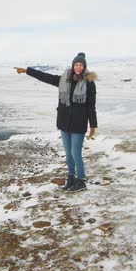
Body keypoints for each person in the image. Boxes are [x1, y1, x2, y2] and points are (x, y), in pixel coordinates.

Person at [14, 52, 97, 192]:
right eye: (76, 64)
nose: (78, 67)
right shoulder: (64, 80)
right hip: (64, 123)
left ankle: (81, 180)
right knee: (68, 153)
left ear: (84, 67)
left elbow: (91, 105)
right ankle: (71, 177)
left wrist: (93, 125)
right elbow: (45, 77)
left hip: (78, 124)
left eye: (81, 65)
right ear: (73, 66)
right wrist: (28, 70)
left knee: (76, 153)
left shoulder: (89, 83)